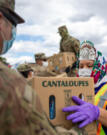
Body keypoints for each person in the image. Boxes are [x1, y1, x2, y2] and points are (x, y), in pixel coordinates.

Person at [0, 1, 77, 134]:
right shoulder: (11, 85)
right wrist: (79, 129)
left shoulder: (73, 41)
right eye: (13, 23)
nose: (13, 31)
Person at [63, 40, 107, 135]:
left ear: (100, 67)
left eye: (89, 65)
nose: (84, 70)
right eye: (81, 66)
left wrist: (97, 112)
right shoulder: (76, 89)